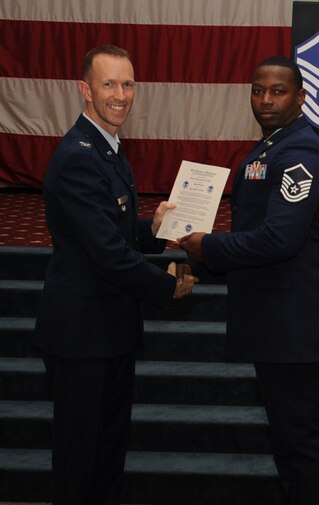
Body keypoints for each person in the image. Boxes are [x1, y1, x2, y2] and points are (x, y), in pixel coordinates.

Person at [178, 56, 319, 504]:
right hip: (275, 320)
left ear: (301, 97)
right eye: (258, 90)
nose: (265, 100)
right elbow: (255, 232)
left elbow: (279, 240)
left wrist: (208, 248)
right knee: (291, 443)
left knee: (303, 445)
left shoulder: (301, 152)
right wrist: (199, 263)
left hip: (293, 323)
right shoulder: (272, 146)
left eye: (277, 91)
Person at [34, 44, 197, 505]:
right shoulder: (80, 156)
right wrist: (169, 287)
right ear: (85, 89)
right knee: (80, 459)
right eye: (109, 84)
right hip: (81, 336)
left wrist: (155, 227)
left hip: (108, 330)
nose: (120, 95)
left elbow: (115, 232)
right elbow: (107, 255)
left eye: (127, 84)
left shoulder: (107, 147)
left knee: (107, 454)